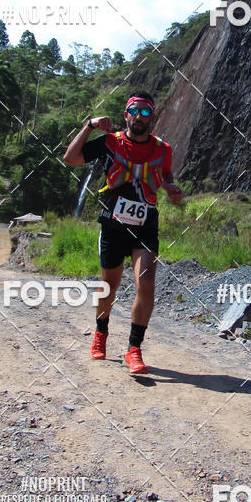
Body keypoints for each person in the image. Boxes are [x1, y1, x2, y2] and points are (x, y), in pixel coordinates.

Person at [63, 92, 183, 374]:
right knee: (109, 286)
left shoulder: (163, 149)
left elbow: (165, 175)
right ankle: (101, 333)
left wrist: (169, 187)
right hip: (113, 224)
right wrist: (90, 125)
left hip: (145, 226)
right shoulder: (109, 143)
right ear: (125, 114)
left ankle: (134, 349)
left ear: (152, 118)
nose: (139, 117)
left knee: (146, 283)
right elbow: (71, 158)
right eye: (134, 111)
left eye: (145, 113)